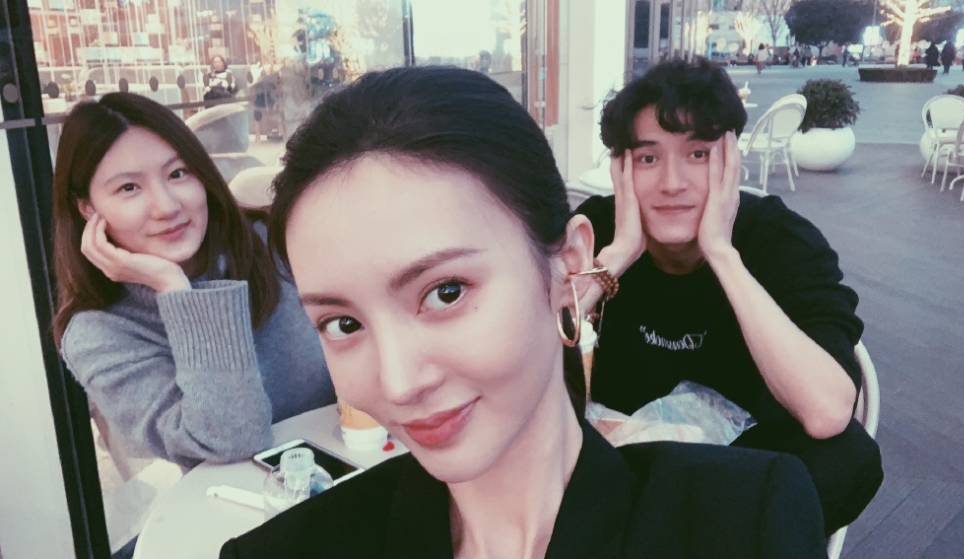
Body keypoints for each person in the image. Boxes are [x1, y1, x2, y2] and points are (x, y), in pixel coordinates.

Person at [218, 66, 827, 558]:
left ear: (566, 262)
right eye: (343, 324)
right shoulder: (283, 552)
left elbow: (828, 413)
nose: (399, 383)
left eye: (446, 292)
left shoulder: (743, 523)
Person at [573, 58, 883, 537]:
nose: (672, 183)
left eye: (697, 154)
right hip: (617, 471)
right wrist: (613, 259)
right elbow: (511, 363)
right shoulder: (595, 233)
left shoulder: (780, 241)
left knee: (847, 458)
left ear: (731, 159)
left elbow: (826, 412)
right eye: (648, 158)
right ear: (621, 169)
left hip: (738, 479)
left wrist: (722, 254)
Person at [52, 92, 335, 469]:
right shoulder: (99, 334)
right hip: (239, 501)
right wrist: (175, 291)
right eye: (129, 188)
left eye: (177, 173)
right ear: (88, 208)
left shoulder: (271, 241)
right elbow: (233, 438)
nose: (166, 206)